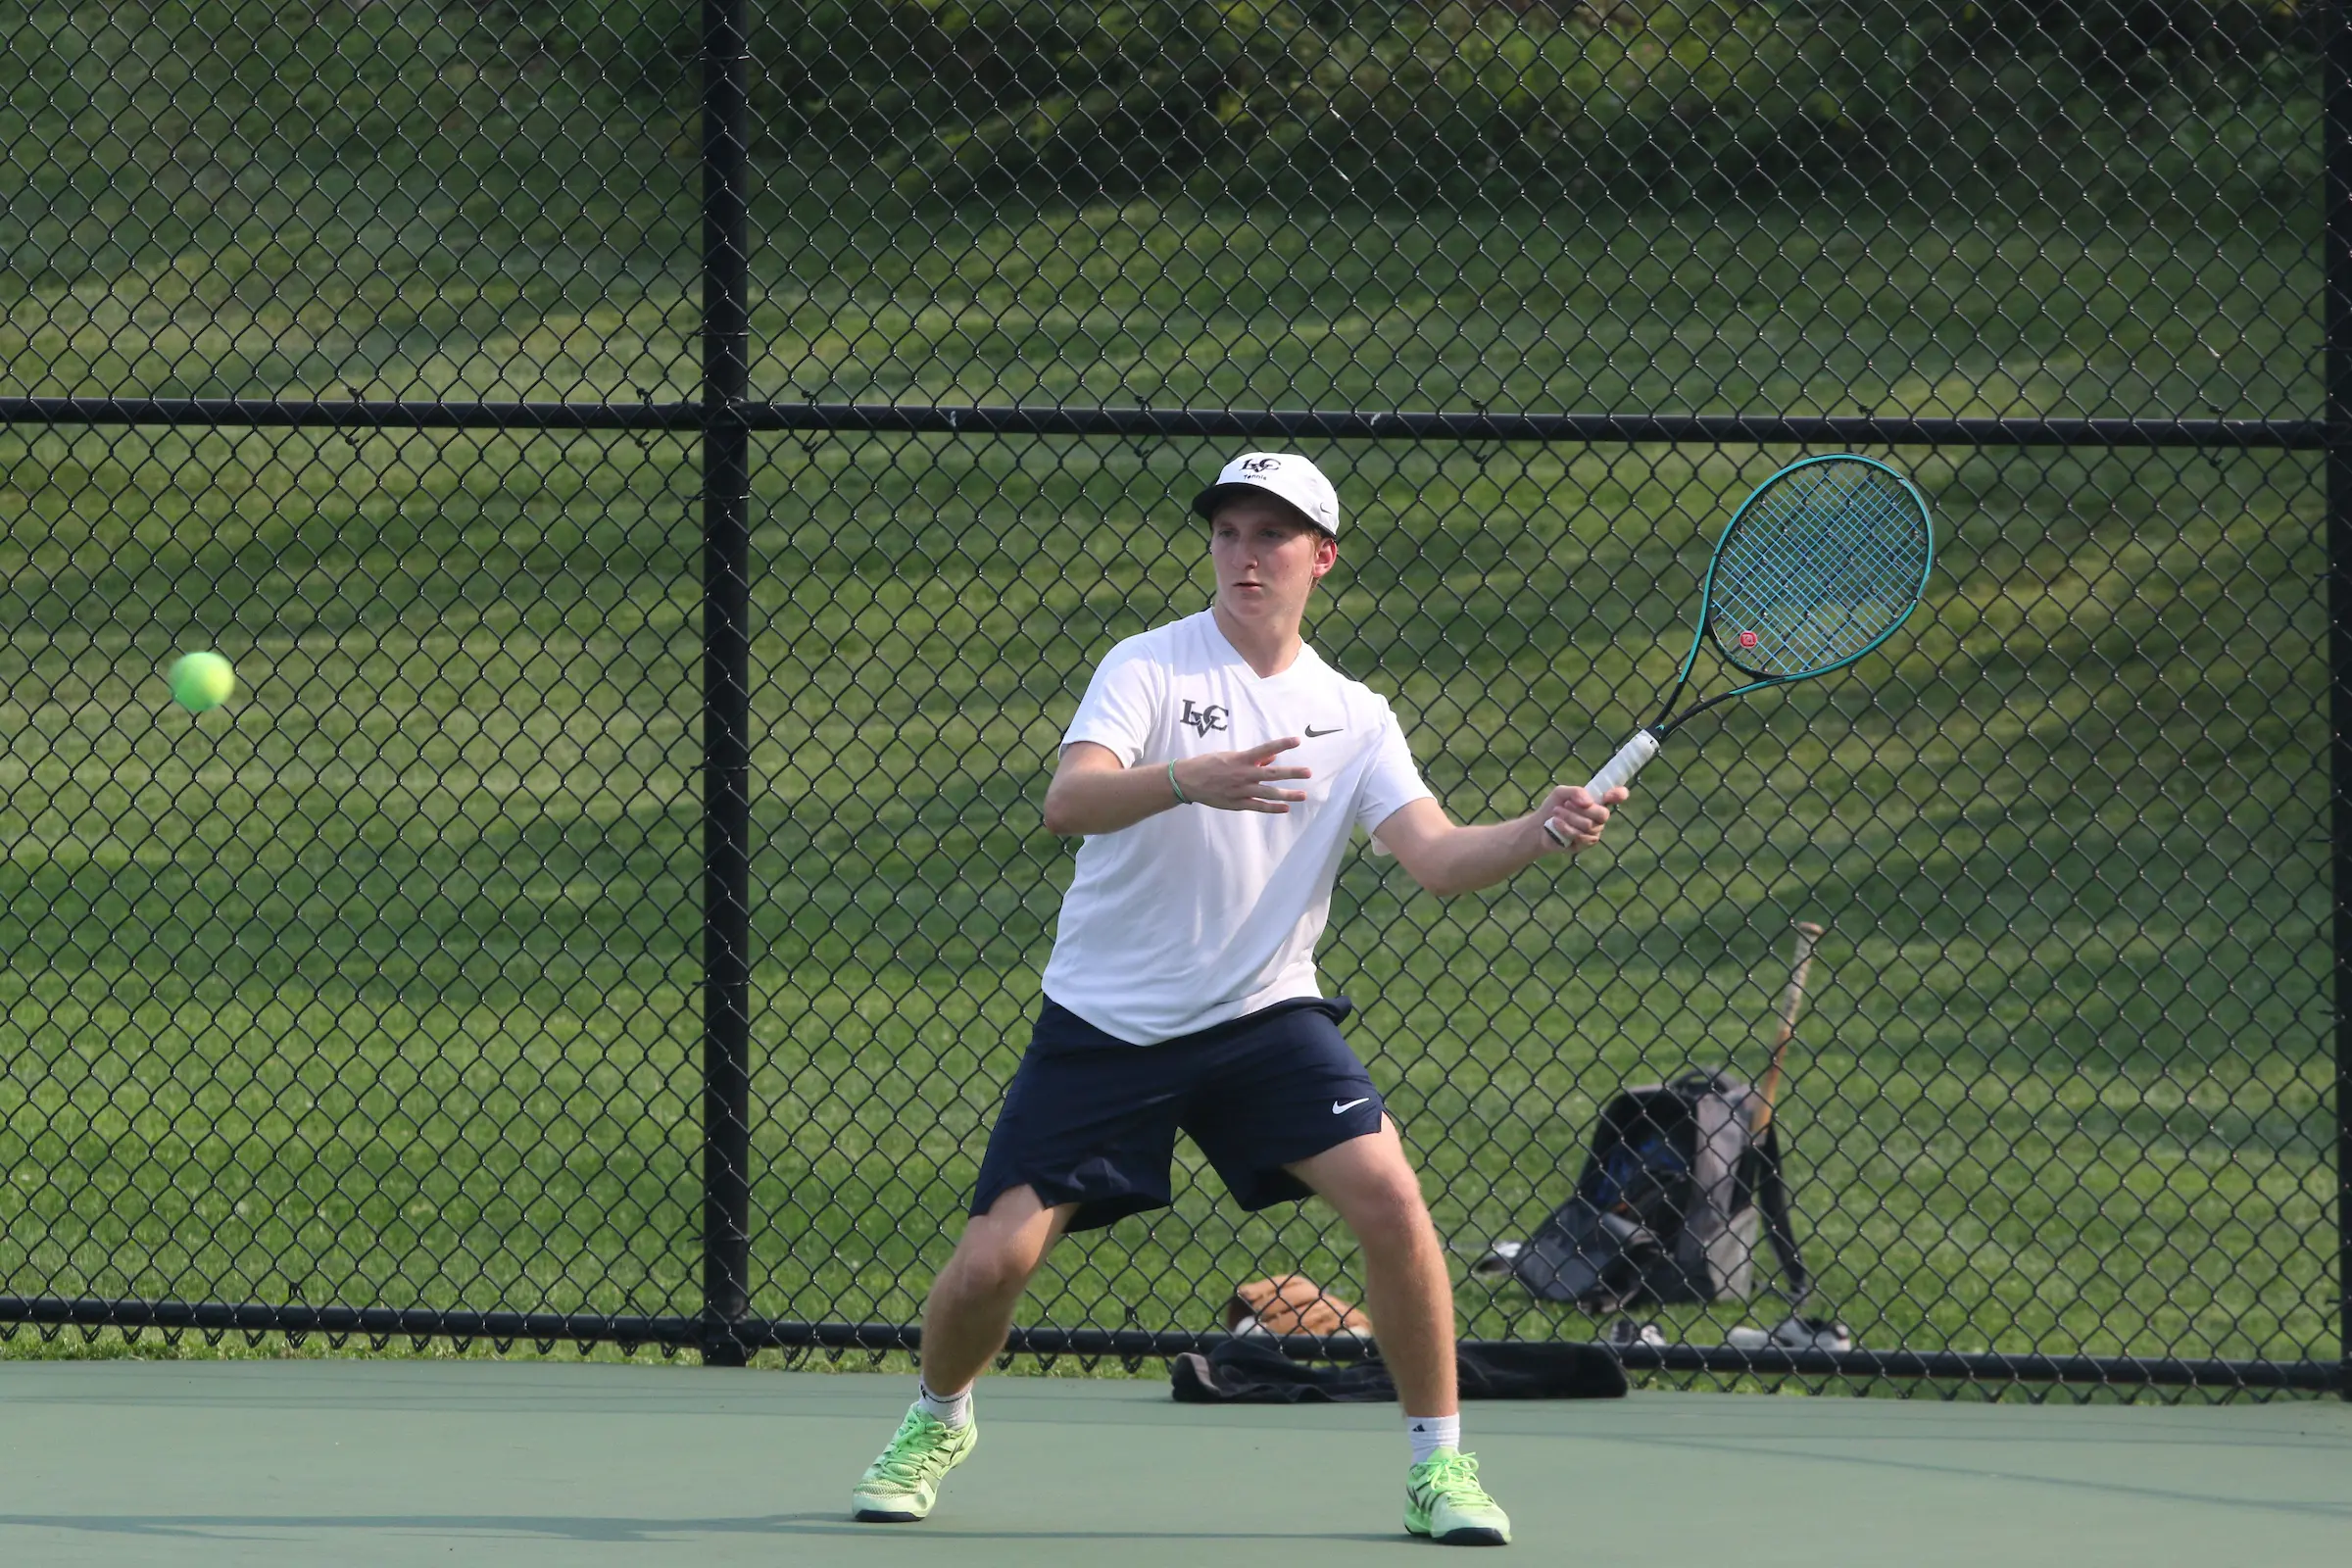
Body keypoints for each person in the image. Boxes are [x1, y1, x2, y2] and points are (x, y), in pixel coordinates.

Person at [850, 451, 1626, 1546]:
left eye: (1273, 534)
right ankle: (937, 1419)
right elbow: (1067, 801)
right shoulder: (1150, 667)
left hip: (1265, 1019)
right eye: (1229, 531)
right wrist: (1183, 778)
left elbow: (1440, 859)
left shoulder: (1354, 713)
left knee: (1394, 1204)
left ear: (1322, 557)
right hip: (1107, 1023)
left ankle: (1437, 1466)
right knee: (994, 1262)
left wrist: (1541, 830)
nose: (1246, 553)